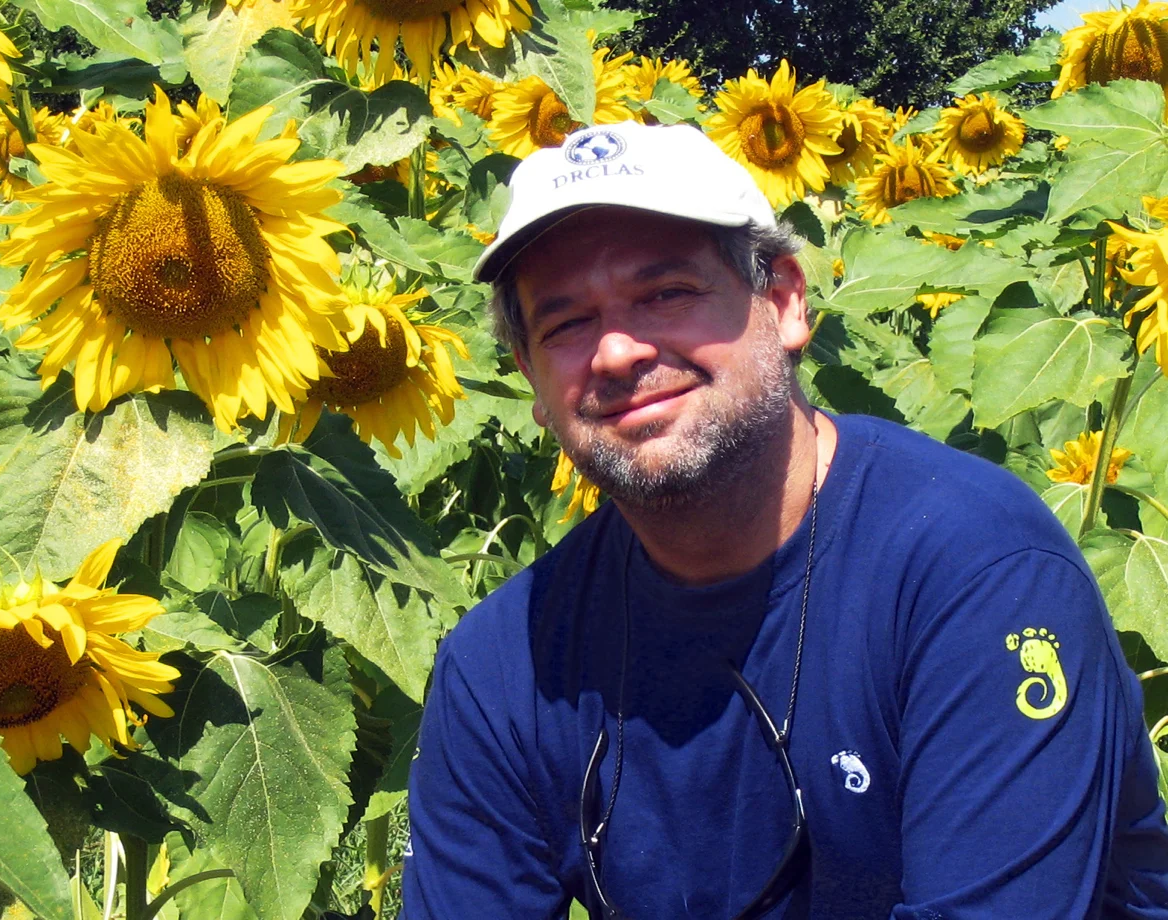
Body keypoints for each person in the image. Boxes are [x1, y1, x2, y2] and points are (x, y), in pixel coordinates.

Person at [400, 120, 1168, 919]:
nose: (617, 351)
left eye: (667, 293)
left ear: (786, 301)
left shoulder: (975, 573)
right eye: (566, 324)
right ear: (531, 376)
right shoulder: (504, 666)